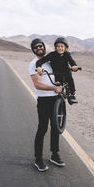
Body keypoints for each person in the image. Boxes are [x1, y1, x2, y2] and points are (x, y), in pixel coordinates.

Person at [28, 38, 65, 172]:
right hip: (44, 100)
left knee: (56, 127)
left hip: (56, 98)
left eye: (41, 46)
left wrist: (60, 86)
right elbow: (37, 84)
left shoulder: (49, 61)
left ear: (44, 47)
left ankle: (54, 155)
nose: (39, 48)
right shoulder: (33, 64)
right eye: (36, 47)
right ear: (33, 49)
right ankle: (38, 159)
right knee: (42, 128)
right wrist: (53, 88)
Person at [36, 37, 79, 104]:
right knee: (58, 84)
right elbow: (41, 61)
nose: (60, 48)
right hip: (57, 73)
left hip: (66, 72)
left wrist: (74, 66)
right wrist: (39, 67)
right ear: (55, 47)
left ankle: (72, 94)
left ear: (65, 48)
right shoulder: (52, 55)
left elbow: (71, 61)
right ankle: (58, 97)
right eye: (58, 46)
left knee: (70, 79)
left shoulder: (67, 54)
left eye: (62, 46)